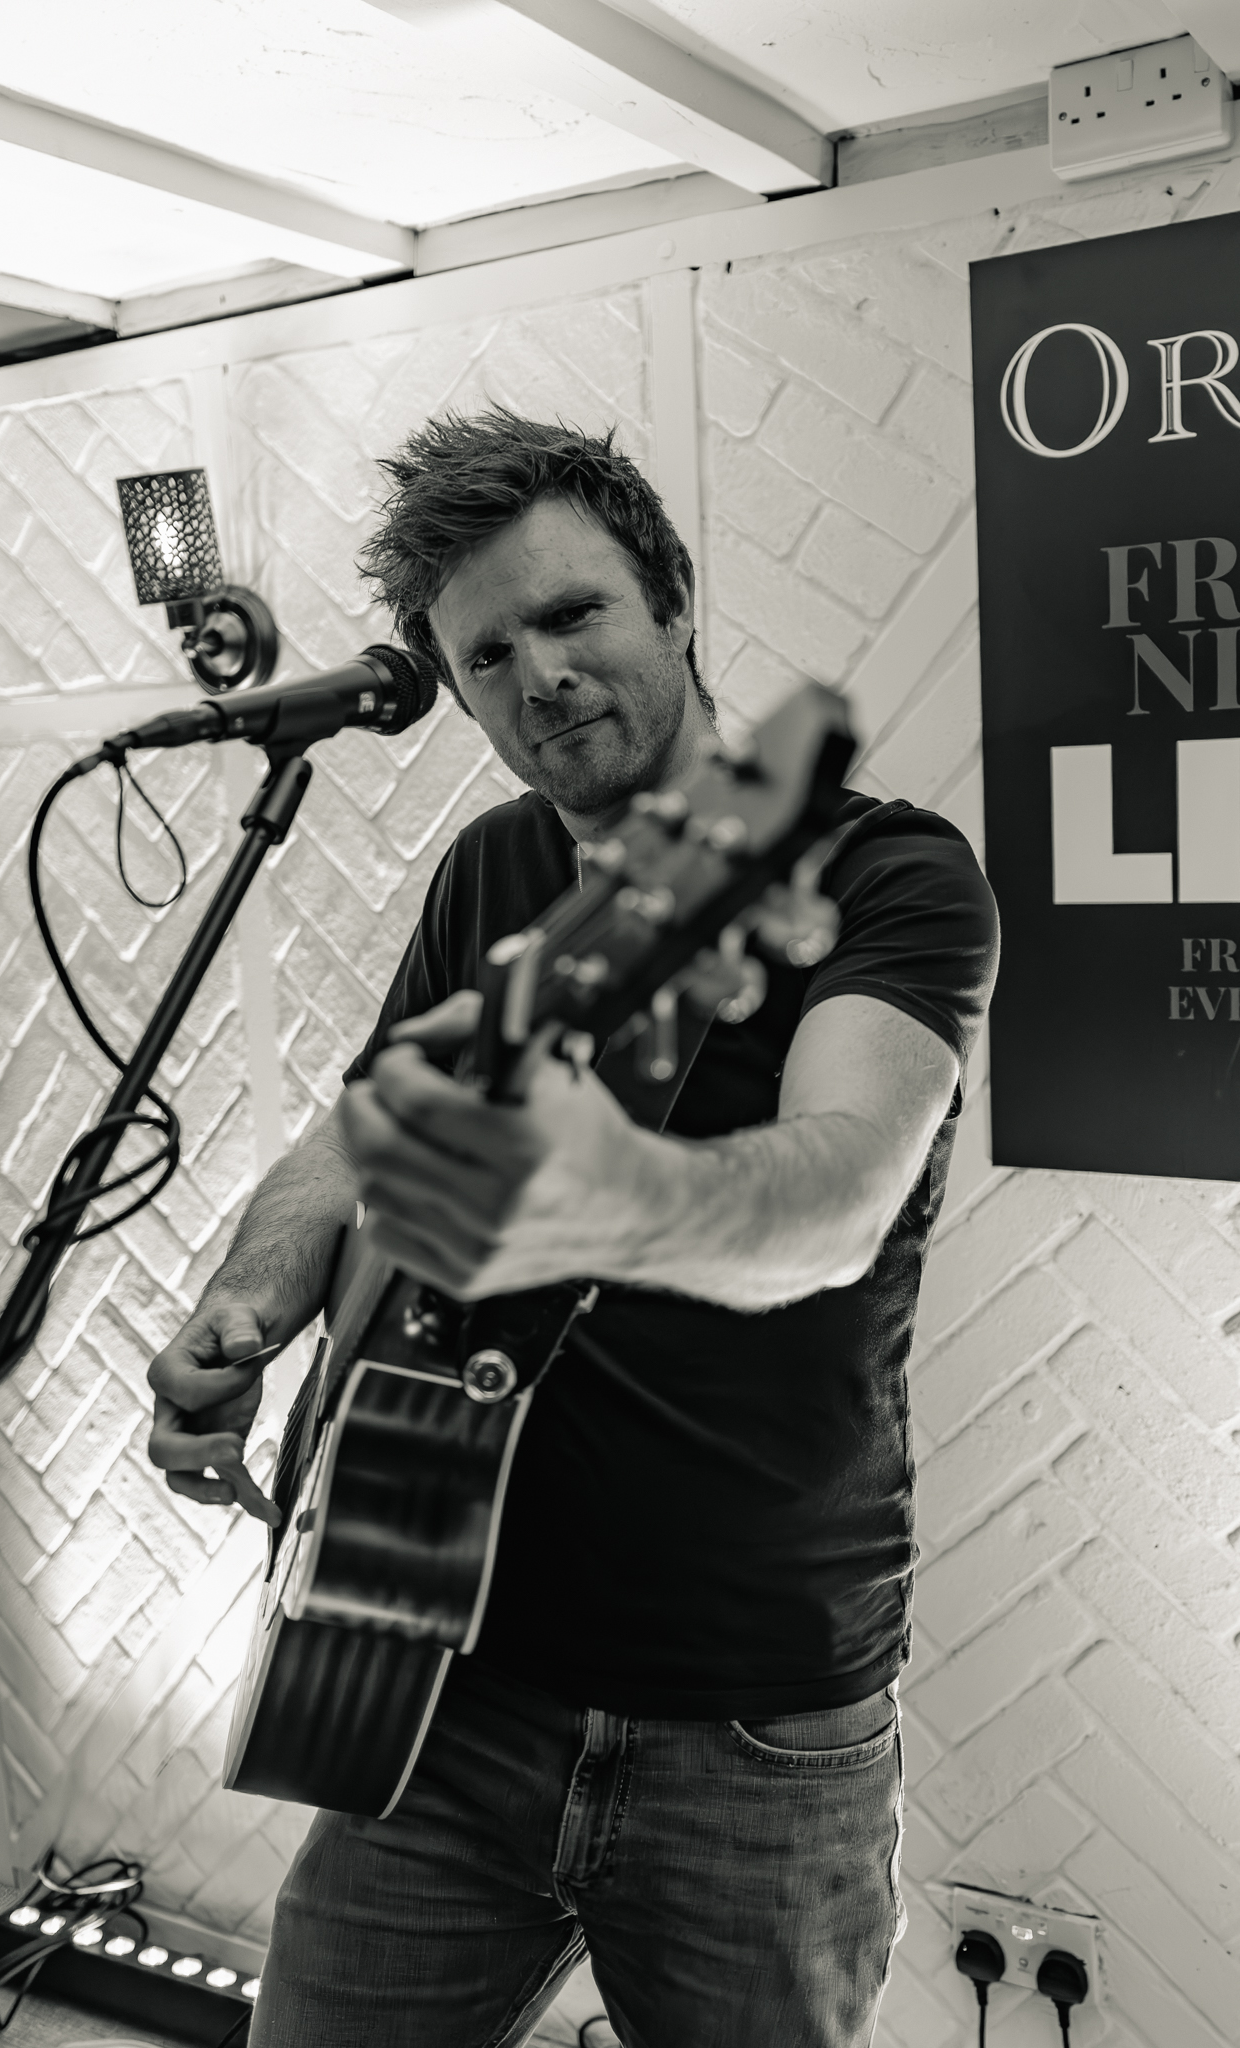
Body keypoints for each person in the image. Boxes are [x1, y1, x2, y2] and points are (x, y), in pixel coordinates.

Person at [147, 411, 999, 2048]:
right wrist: (251, 1298)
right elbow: (364, 1131)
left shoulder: (883, 874)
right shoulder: (492, 870)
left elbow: (834, 1202)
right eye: (485, 654)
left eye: (570, 614)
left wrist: (595, 1200)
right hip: (430, 1661)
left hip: (751, 1727)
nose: (537, 674)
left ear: (670, 600)